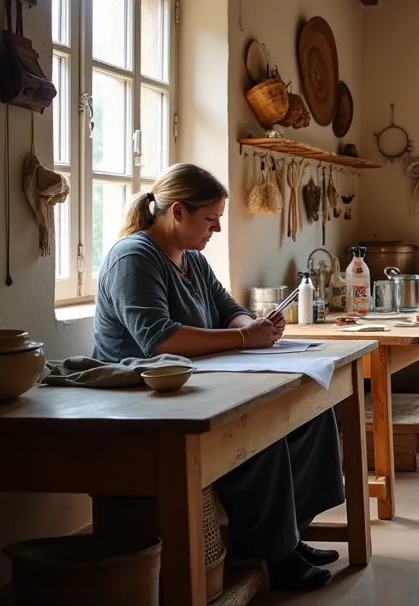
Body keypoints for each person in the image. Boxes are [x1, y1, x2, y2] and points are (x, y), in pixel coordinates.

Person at [93, 163, 346, 591]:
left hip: (193, 382)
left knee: (311, 411)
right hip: (142, 393)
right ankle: (272, 551)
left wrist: (257, 326)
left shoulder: (191, 259)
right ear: (178, 212)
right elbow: (158, 340)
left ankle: (291, 534)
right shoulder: (134, 257)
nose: (215, 230)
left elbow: (230, 311)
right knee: (256, 433)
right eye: (210, 220)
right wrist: (246, 338)